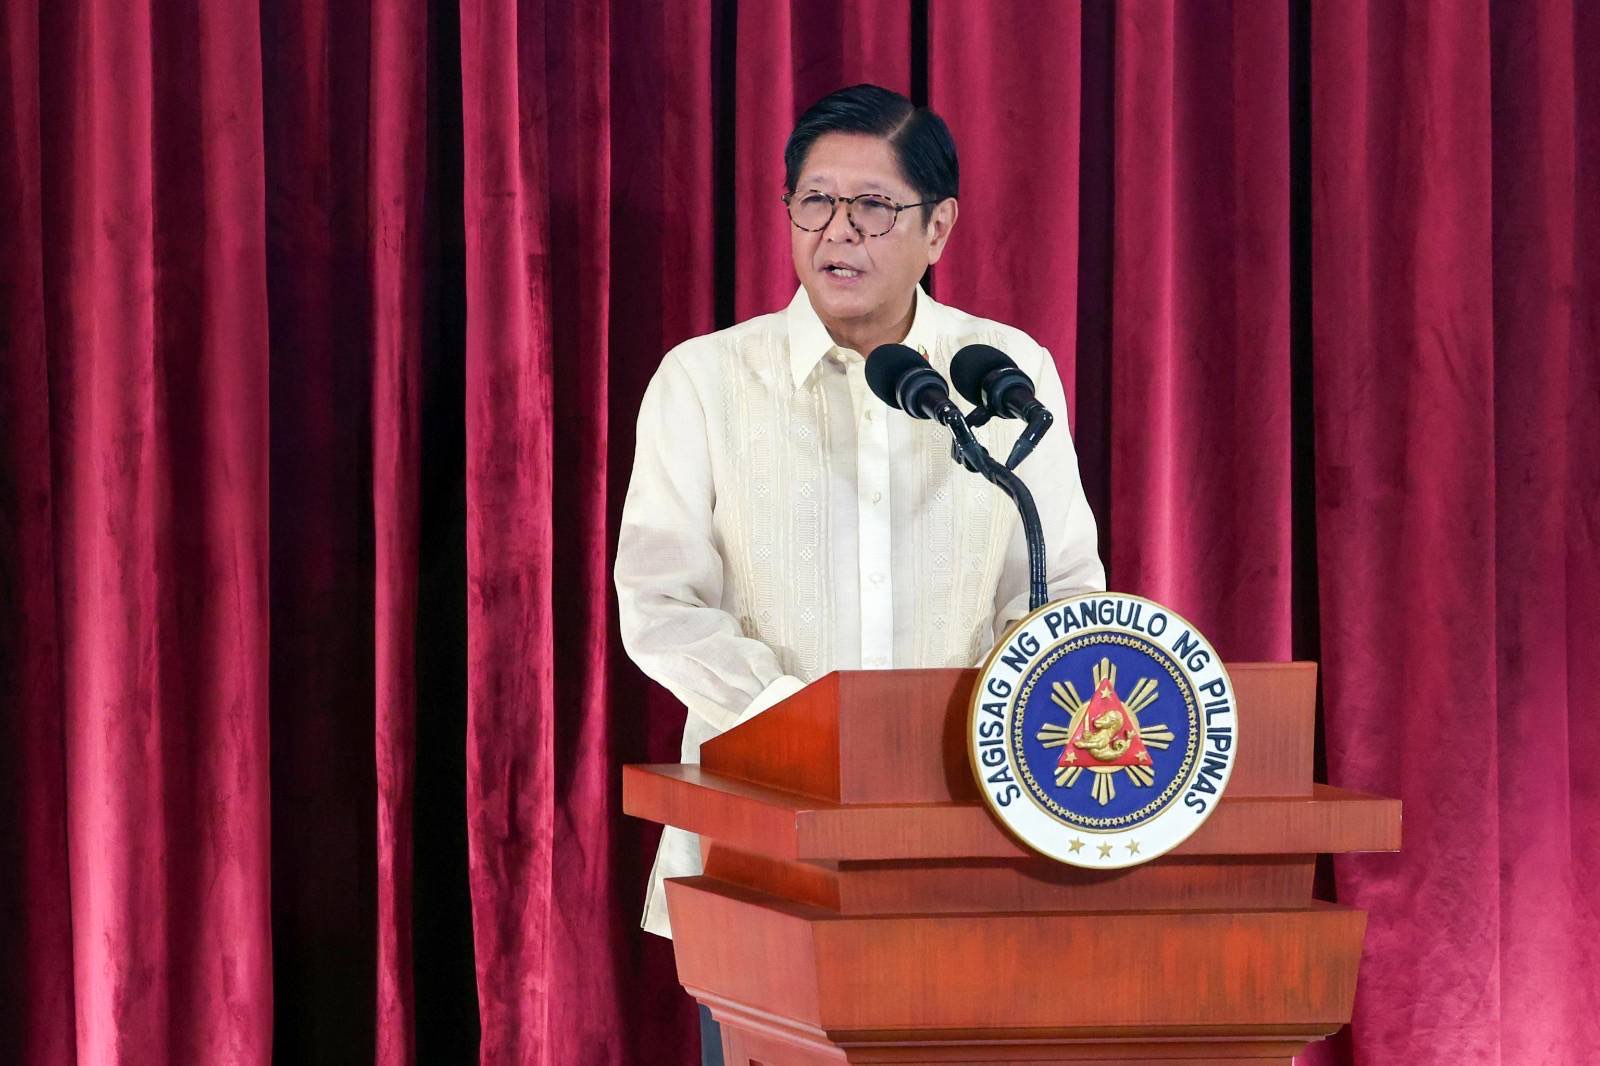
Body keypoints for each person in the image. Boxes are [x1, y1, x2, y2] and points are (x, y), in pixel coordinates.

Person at [614, 84, 1105, 1065]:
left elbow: (1060, 593)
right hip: (763, 846)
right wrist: (808, 729)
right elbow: (661, 607)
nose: (837, 230)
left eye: (873, 206)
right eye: (815, 201)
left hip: (965, 846)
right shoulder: (705, 381)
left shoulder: (1004, 372)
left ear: (938, 228)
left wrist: (989, 733)